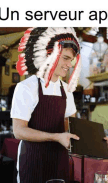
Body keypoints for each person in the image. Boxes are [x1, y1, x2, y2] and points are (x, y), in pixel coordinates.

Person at [11, 27, 82, 183]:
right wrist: (56, 137)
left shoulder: (66, 90)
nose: (69, 64)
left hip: (59, 161)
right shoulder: (26, 87)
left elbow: (70, 125)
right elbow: (19, 131)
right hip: (33, 160)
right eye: (65, 58)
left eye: (71, 60)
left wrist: (91, 139)